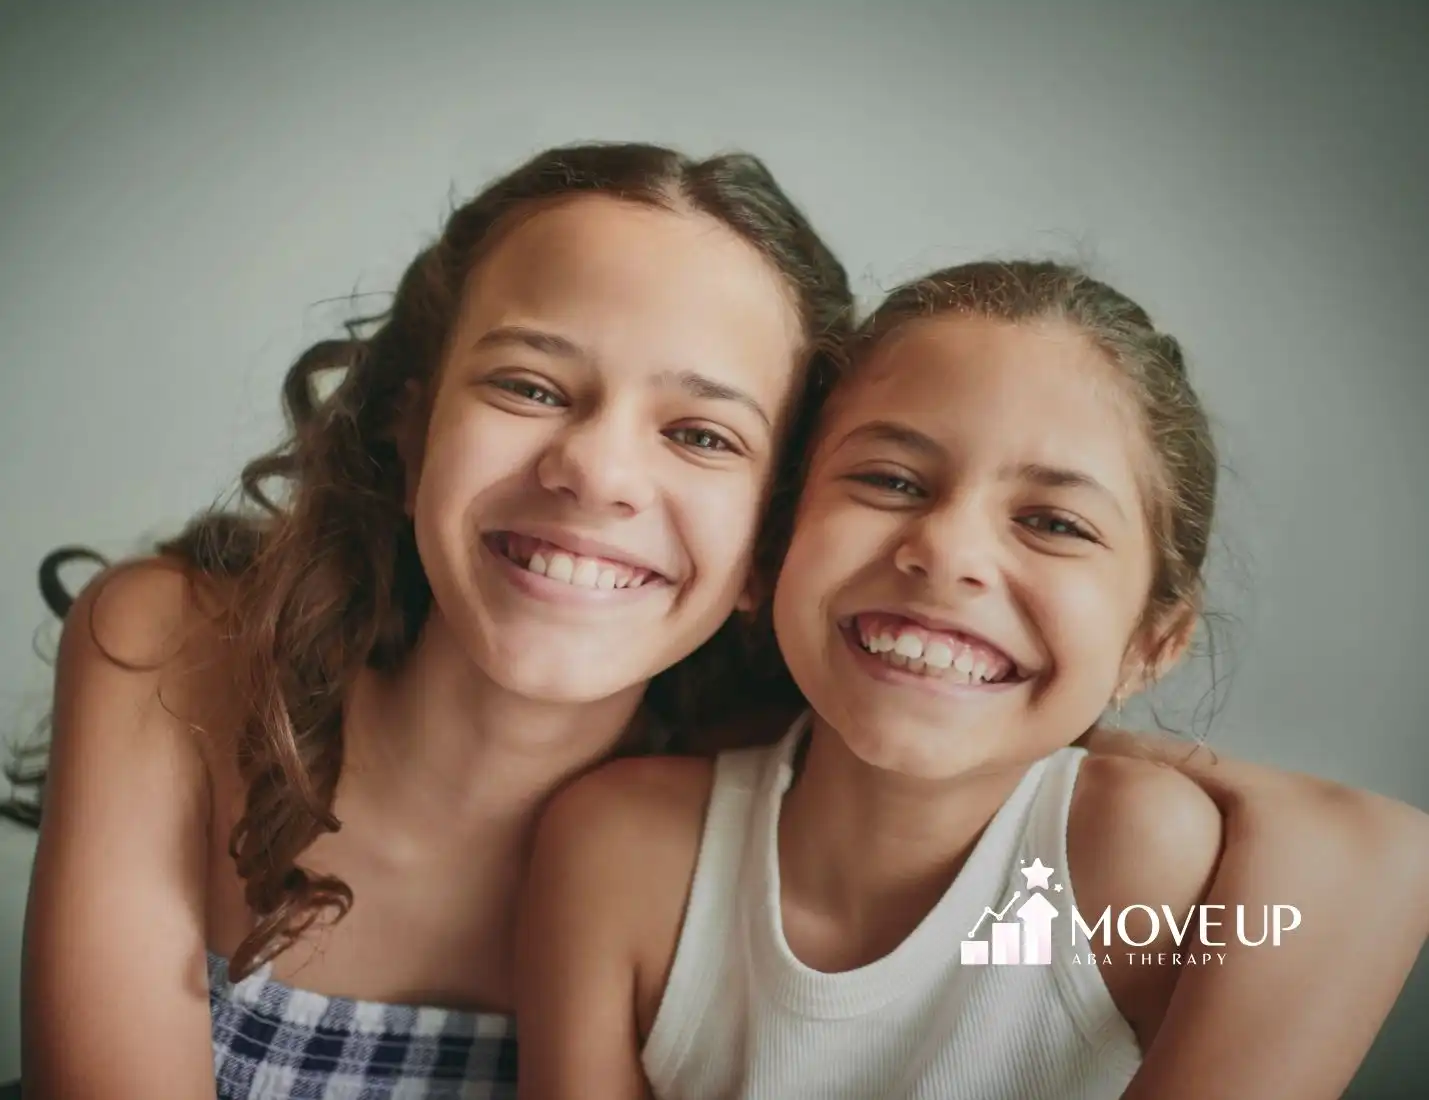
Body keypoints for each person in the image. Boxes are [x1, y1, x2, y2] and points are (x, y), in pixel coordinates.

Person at [13, 145, 1427, 1100]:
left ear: (770, 540)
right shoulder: (178, 650)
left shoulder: (772, 796)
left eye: (701, 434)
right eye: (529, 386)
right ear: (407, 418)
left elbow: (1337, 863)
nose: (595, 473)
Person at [515, 261, 1429, 1100]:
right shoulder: (621, 849)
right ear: (774, 544)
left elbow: (1378, 858)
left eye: (1054, 523)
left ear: (1152, 644)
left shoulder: (1138, 862)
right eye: (890, 481)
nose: (947, 551)